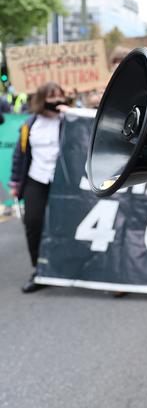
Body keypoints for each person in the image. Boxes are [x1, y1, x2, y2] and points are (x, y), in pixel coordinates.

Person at [9, 82, 69, 293]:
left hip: (63, 180)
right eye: (51, 97)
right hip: (37, 179)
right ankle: (40, 269)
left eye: (59, 96)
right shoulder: (30, 124)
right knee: (33, 222)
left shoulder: (70, 120)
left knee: (64, 225)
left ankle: (67, 267)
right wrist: (16, 183)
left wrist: (73, 115)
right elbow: (20, 155)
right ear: (42, 99)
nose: (56, 101)